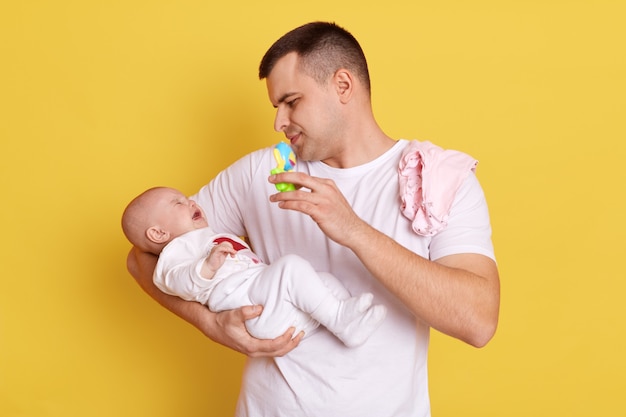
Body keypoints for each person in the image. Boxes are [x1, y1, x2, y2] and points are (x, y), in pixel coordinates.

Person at [127, 21, 500, 417]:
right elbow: (143, 257)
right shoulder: (261, 174)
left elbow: (478, 322)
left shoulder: (434, 179)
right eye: (276, 107)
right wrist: (209, 323)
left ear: (343, 86)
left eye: (291, 101)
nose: (278, 122)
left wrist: (353, 230)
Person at [121, 186, 386, 348]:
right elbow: (177, 281)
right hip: (248, 305)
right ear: (157, 234)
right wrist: (206, 267)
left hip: (268, 301)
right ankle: (340, 319)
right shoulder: (173, 254)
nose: (190, 202)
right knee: (291, 267)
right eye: (178, 202)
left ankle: (344, 319)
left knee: (323, 281)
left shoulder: (205, 234)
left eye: (187, 199)